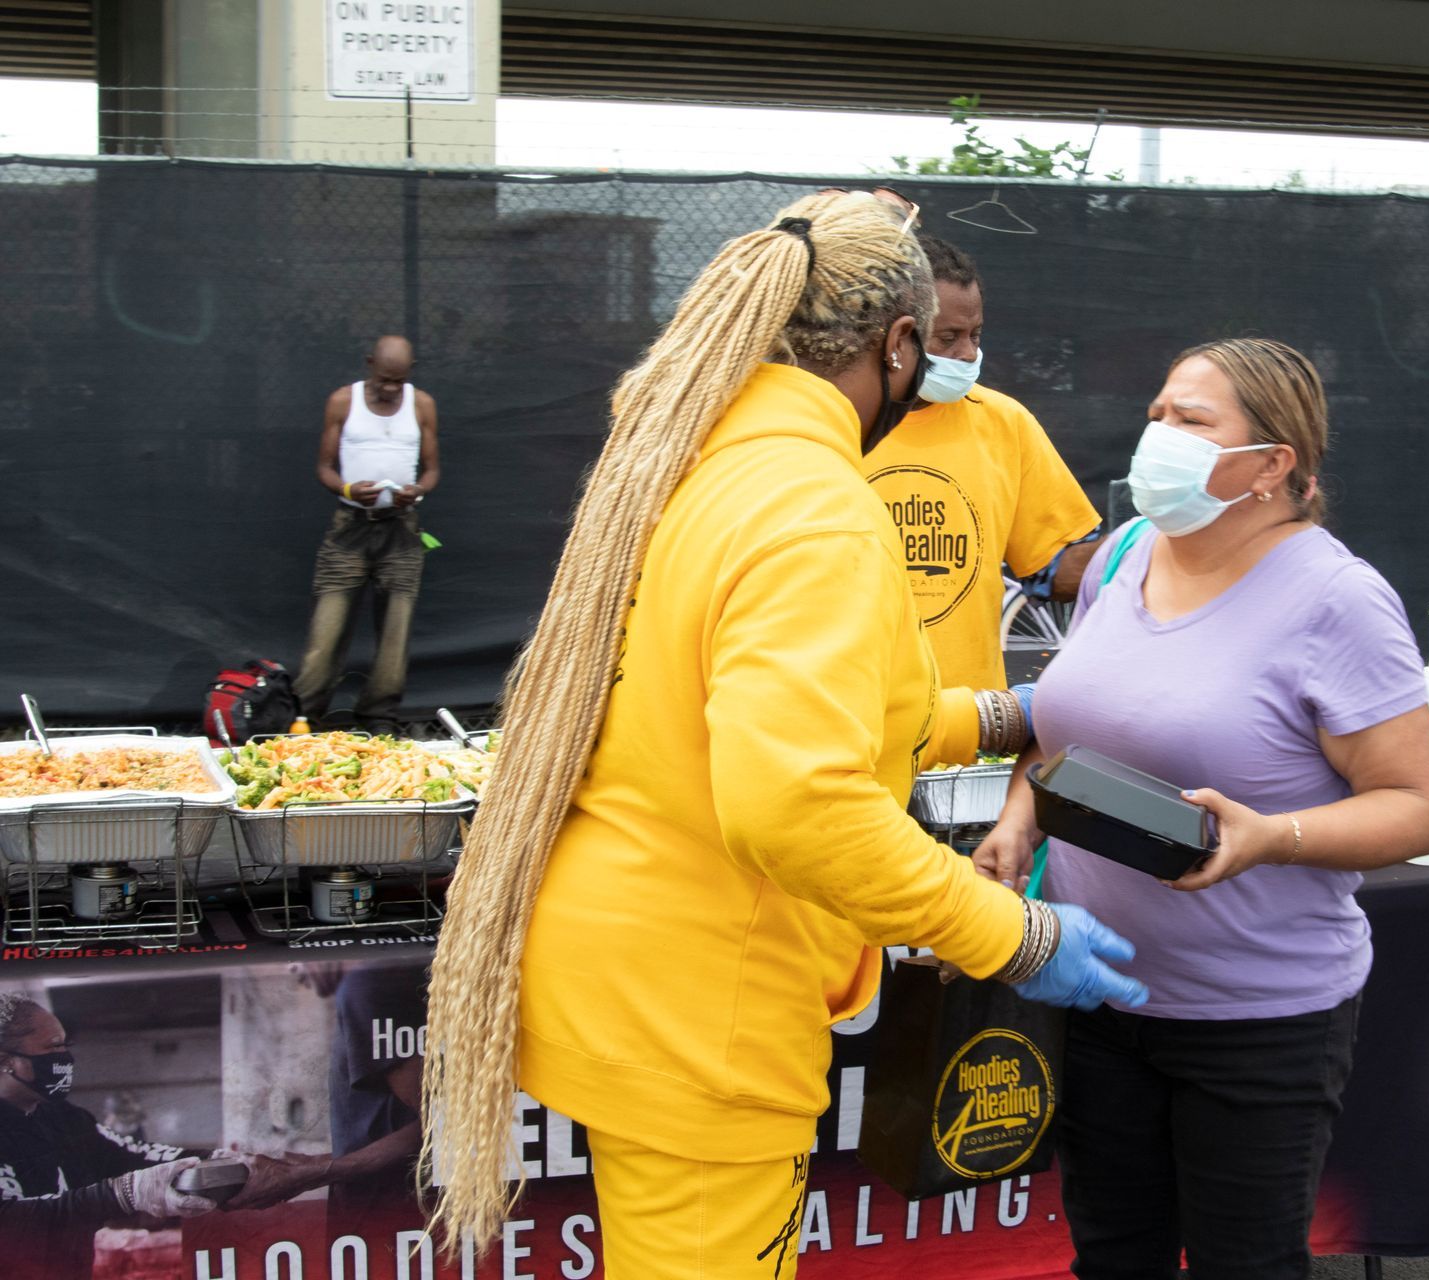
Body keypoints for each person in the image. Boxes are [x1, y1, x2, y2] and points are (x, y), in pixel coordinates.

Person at [420, 190, 1146, 1279]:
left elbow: (773, 724)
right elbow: (796, 801)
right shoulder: (814, 506)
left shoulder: (701, 461)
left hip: (633, 968)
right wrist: (1011, 933)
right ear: (899, 344)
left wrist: (1011, 714)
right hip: (701, 1001)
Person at [972, 337, 1429, 1280]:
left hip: (1257, 1021)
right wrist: (1019, 815)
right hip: (1094, 986)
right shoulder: (1124, 555)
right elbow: (1067, 726)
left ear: (1274, 464)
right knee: (1114, 1257)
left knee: (1247, 1264)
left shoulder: (1338, 600)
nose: (1159, 435)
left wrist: (1275, 837)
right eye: (1158, 414)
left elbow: (1420, 808)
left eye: (1191, 421)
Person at [863, 234, 1101, 695]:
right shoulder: (836, 423)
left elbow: (1051, 567)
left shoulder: (1003, 422)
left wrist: (1147, 550)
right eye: (948, 338)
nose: (969, 354)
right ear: (893, 335)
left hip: (968, 727)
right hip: (853, 721)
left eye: (976, 335)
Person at [0, 993, 217, 1279]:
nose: (65, 1057)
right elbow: (11, 1220)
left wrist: (216, 1161)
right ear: (6, 1061)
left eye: (66, 1045)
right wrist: (124, 1193)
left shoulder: (61, 1118)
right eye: (54, 1047)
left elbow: (131, 1156)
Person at [291, 335, 441, 735]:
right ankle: (305, 715)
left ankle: (379, 716)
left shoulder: (421, 404)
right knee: (327, 629)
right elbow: (324, 467)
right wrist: (347, 490)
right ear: (370, 363)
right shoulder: (344, 401)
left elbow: (431, 469)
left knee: (396, 630)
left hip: (402, 530)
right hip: (351, 527)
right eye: (384, 379)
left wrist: (419, 490)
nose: (391, 388)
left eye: (399, 380)